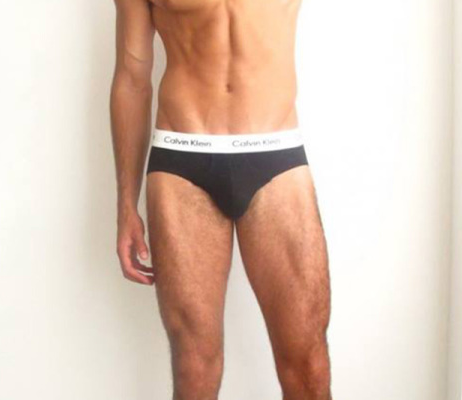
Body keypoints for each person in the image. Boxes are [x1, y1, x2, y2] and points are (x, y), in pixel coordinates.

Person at [109, 0, 332, 398]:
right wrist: (126, 202)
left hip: (276, 153)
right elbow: (132, 77)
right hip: (182, 157)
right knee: (194, 367)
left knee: (308, 364)